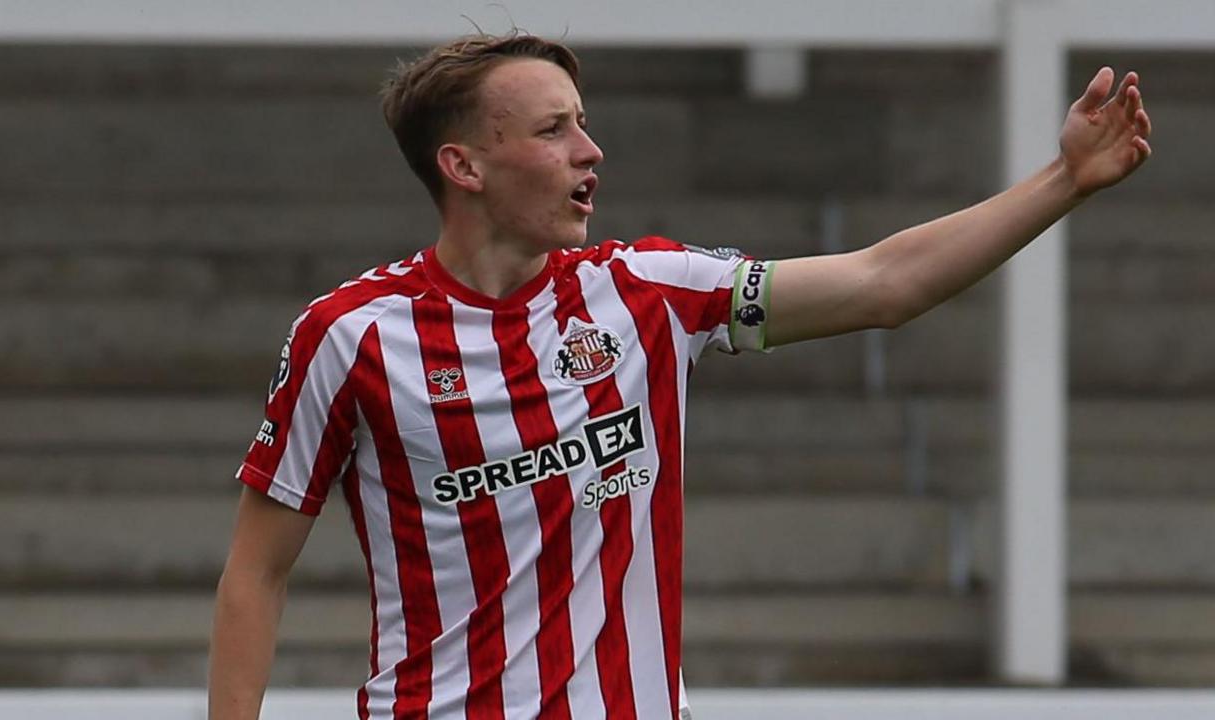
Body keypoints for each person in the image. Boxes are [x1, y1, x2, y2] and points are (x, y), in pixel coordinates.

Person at [208, 32, 1152, 720]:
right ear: (464, 165)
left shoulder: (645, 291)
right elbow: (257, 570)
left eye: (584, 123)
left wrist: (1061, 181)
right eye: (553, 129)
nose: (591, 150)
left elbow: (882, 284)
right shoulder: (352, 336)